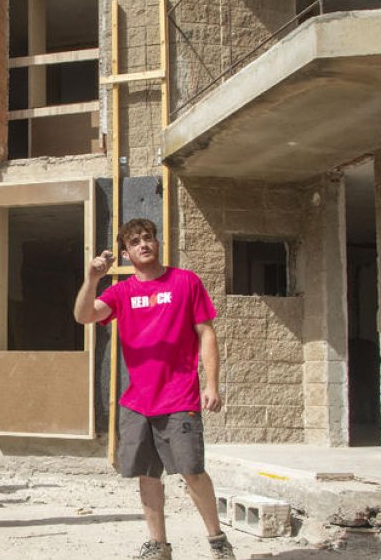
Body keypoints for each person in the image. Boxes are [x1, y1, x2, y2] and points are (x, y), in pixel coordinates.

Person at [73, 218, 235, 560]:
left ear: (157, 242)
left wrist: (212, 383)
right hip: (137, 403)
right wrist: (92, 279)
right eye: (134, 242)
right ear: (126, 253)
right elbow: (84, 315)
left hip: (179, 397)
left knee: (192, 472)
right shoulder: (122, 292)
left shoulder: (185, 282)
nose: (143, 244)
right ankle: (158, 546)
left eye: (147, 238)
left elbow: (206, 333)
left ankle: (218, 542)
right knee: (147, 475)